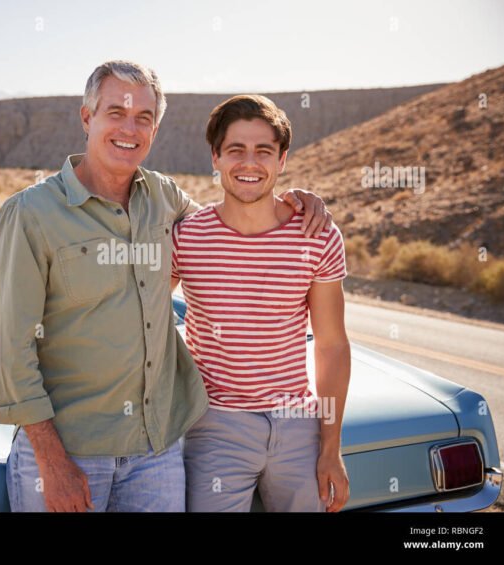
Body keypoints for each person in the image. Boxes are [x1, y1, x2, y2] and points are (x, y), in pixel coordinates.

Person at [0, 61, 332, 512]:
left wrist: (294, 201)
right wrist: (52, 461)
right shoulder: (31, 215)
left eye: (144, 118)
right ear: (87, 117)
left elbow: (230, 219)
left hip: (158, 455)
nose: (130, 128)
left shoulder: (164, 198)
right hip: (70, 454)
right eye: (116, 112)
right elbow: (10, 354)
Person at [172, 94, 351, 512]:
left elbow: (331, 346)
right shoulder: (186, 237)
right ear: (215, 157)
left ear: (282, 159)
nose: (249, 163)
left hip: (298, 428)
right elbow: (139, 315)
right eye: (236, 150)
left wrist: (331, 448)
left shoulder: (317, 235)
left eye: (263, 151)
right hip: (215, 426)